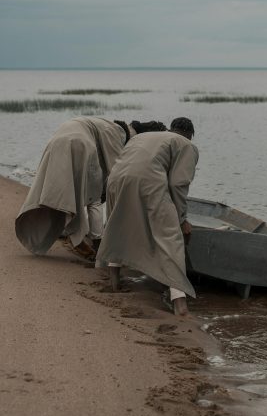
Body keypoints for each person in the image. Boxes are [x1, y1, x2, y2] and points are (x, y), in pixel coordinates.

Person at [15, 117, 166, 258]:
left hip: (57, 141)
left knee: (62, 194)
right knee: (95, 198)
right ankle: (96, 241)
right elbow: (117, 173)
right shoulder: (117, 133)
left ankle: (70, 232)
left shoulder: (106, 125)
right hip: (79, 143)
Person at [96, 117, 198, 316]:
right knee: (170, 238)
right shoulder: (186, 145)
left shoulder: (144, 136)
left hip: (116, 180)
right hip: (147, 182)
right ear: (189, 136)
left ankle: (115, 282)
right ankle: (180, 304)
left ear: (170, 128)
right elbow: (178, 184)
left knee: (119, 227)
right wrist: (181, 219)